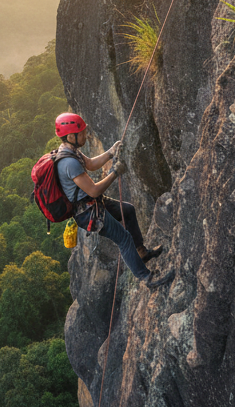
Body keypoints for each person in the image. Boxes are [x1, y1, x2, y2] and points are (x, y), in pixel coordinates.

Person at [53, 112, 174, 290]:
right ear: (71, 136)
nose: (85, 135)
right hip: (88, 212)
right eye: (82, 133)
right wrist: (115, 173)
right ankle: (147, 278)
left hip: (92, 204)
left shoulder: (70, 151)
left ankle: (141, 253)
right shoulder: (69, 163)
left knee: (128, 210)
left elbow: (91, 164)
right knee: (123, 239)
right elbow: (94, 190)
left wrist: (110, 152)